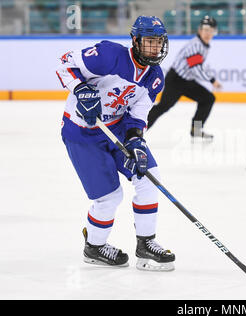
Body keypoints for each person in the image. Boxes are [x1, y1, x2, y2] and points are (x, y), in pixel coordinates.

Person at [55, 16, 175, 271]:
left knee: (149, 176)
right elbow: (65, 64)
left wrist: (135, 139)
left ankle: (146, 244)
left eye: (158, 42)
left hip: (117, 128)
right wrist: (80, 89)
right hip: (82, 131)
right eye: (149, 42)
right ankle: (95, 247)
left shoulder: (155, 77)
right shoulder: (109, 55)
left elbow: (139, 112)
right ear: (135, 40)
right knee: (110, 197)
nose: (154, 48)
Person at [146, 15, 222, 142]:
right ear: (200, 30)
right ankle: (139, 129)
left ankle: (196, 129)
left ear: (215, 32)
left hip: (187, 81)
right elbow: (196, 68)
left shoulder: (203, 45)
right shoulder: (195, 46)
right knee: (163, 107)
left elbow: (197, 67)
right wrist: (212, 80)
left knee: (208, 99)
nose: (207, 33)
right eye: (205, 30)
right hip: (176, 80)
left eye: (210, 30)